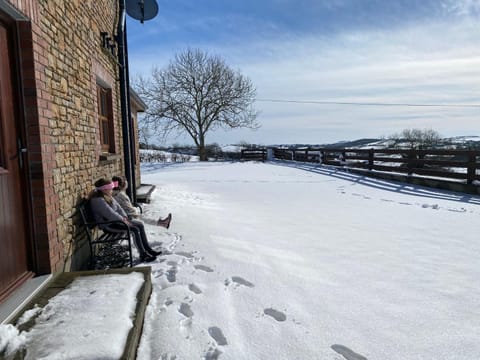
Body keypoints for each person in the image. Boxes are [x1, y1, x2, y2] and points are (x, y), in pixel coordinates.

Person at [89, 178, 161, 263]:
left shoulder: (107, 196)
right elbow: (110, 214)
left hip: (116, 221)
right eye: (110, 188)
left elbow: (119, 208)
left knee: (139, 225)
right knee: (134, 229)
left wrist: (125, 217)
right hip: (108, 224)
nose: (112, 190)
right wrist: (123, 220)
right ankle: (143, 255)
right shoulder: (98, 200)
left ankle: (148, 249)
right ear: (104, 189)